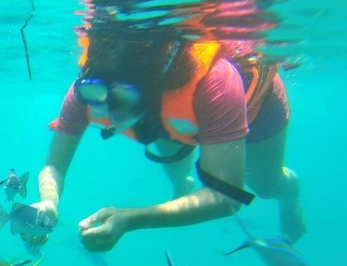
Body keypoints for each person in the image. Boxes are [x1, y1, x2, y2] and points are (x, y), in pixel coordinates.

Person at [28, 26, 304, 253]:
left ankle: (290, 193)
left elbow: (228, 196)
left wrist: (131, 219)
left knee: (265, 185)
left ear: (156, 88)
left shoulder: (216, 81)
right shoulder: (90, 86)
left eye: (122, 100)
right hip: (170, 118)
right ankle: (182, 188)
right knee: (160, 132)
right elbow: (54, 166)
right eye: (96, 94)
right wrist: (48, 202)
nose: (109, 109)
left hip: (255, 110)